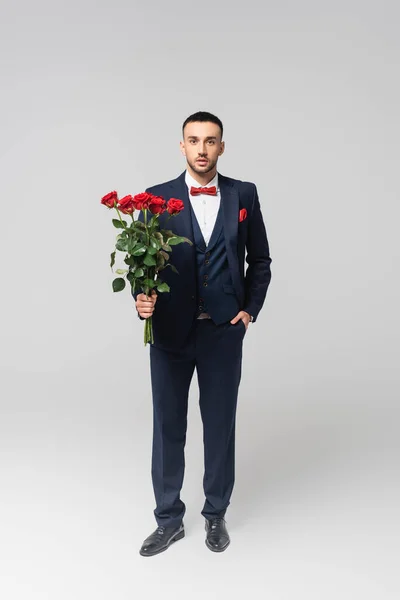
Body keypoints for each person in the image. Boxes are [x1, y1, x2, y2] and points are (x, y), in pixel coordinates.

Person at [132, 111, 272, 556]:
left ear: (222, 147)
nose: (202, 149)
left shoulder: (242, 194)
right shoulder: (155, 199)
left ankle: (215, 516)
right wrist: (141, 298)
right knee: (168, 427)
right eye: (194, 140)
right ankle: (168, 520)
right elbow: (141, 265)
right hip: (171, 332)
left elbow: (261, 261)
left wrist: (249, 311)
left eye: (210, 141)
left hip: (222, 333)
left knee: (219, 427)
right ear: (182, 146)